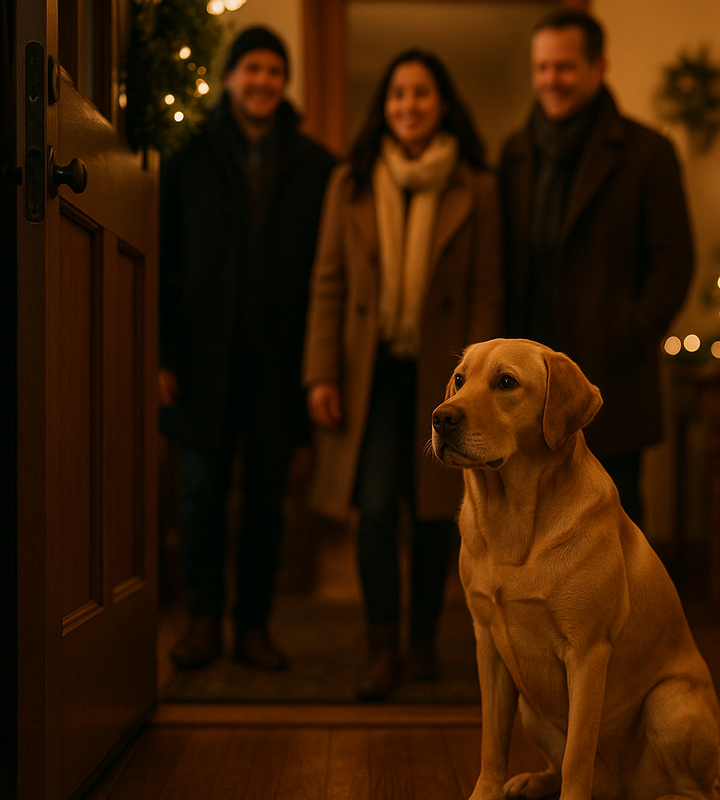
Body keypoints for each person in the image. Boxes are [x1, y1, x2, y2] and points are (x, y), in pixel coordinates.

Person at [302, 50, 503, 700]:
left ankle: (422, 642)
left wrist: (480, 386)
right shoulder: (349, 182)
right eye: (397, 96)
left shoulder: (477, 184)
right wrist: (320, 374)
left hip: (448, 377)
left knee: (434, 515)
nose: (408, 106)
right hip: (371, 374)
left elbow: (485, 290)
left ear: (442, 103)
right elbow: (328, 284)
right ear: (383, 107)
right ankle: (380, 645)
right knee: (378, 510)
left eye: (420, 94)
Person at [158, 27, 336, 670]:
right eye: (252, 68)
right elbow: (165, 258)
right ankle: (203, 621)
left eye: (275, 71)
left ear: (284, 83)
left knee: (267, 500)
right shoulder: (186, 154)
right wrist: (163, 353)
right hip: (202, 359)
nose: (263, 81)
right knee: (200, 495)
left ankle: (254, 625)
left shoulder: (318, 166)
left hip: (281, 365)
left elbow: (328, 270)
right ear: (230, 76)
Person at [499, 9, 694, 525]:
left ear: (598, 66)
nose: (550, 80)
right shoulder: (515, 154)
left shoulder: (648, 153)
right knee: (527, 529)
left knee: (615, 528)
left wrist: (630, 333)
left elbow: (675, 260)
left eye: (564, 67)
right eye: (542, 68)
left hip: (609, 377)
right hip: (523, 393)